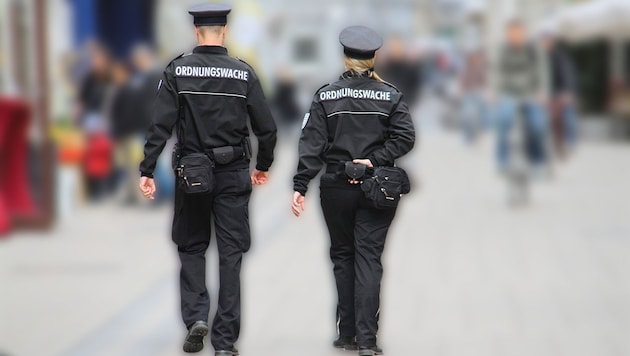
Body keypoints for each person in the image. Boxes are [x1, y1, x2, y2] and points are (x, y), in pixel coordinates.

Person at [138, 4, 277, 356]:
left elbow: (160, 125)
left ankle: (197, 316)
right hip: (233, 172)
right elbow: (267, 128)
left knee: (191, 246)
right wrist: (263, 165)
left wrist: (147, 169)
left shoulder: (177, 71)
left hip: (192, 174)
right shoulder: (244, 74)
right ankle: (226, 342)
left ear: (196, 33)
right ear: (224, 32)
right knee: (231, 255)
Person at [291, 26, 415, 356]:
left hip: (336, 189)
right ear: (374, 58)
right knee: (369, 260)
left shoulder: (325, 95)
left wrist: (300, 185)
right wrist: (375, 159)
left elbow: (311, 144)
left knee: (343, 256)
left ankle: (346, 334)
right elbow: (405, 138)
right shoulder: (391, 95)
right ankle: (368, 341)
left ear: (345, 58)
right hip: (377, 188)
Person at [494, 19, 549, 173]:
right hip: (509, 93)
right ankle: (502, 161)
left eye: (517, 33)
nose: (514, 36)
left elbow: (542, 72)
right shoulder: (503, 50)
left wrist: (542, 91)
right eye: (510, 33)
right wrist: (494, 91)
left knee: (537, 126)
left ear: (523, 33)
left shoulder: (532, 49)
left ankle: (537, 162)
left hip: (530, 93)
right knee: (503, 121)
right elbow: (496, 72)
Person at [542, 33, 578, 157]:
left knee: (568, 115)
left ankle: (569, 143)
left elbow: (567, 75)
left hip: (560, 92)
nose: (546, 43)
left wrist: (568, 92)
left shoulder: (560, 56)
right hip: (544, 93)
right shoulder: (539, 57)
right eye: (544, 40)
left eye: (548, 40)